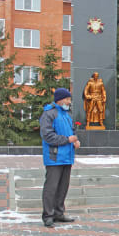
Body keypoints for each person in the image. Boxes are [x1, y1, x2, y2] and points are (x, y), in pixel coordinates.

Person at [40, 88, 80, 228]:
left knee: (63, 187)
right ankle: (48, 215)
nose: (69, 102)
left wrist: (75, 141)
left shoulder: (67, 114)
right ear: (60, 99)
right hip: (54, 157)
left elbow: (72, 131)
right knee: (51, 188)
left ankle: (59, 213)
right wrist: (67, 140)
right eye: (67, 99)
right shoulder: (49, 113)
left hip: (67, 156)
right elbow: (47, 136)